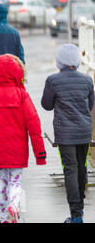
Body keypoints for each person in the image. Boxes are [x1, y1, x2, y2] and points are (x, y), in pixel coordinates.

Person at [0, 54, 47, 223]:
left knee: (1, 181)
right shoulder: (22, 96)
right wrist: (40, 154)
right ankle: (14, 206)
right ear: (18, 73)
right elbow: (34, 125)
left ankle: (3, 218)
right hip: (17, 149)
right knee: (15, 181)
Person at [41, 44, 94, 223]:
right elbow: (90, 105)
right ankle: (80, 204)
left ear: (60, 62)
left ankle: (76, 215)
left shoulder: (53, 80)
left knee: (70, 169)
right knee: (81, 165)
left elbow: (46, 105)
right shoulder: (87, 80)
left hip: (65, 133)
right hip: (85, 131)